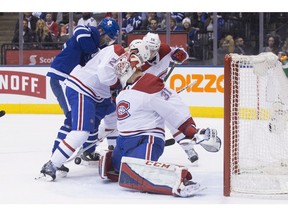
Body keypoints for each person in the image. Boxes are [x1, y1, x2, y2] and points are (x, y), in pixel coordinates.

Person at [98, 41, 221, 197]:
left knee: (138, 173)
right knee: (114, 168)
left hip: (146, 140)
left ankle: (181, 180)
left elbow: (172, 107)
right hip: (124, 142)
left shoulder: (148, 82)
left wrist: (190, 129)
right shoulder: (124, 90)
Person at [38, 39, 150, 181]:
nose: (136, 61)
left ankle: (114, 155)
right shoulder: (116, 51)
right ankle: (52, 164)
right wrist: (120, 83)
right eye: (137, 56)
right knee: (81, 132)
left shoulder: (126, 60)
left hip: (99, 95)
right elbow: (104, 74)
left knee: (115, 118)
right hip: (83, 88)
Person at [45, 17, 120, 175]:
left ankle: (88, 151)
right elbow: (80, 34)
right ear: (101, 31)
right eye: (108, 37)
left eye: (111, 40)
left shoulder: (99, 48)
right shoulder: (88, 33)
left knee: (92, 119)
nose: (108, 42)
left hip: (78, 81)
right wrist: (94, 51)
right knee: (72, 121)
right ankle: (54, 160)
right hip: (65, 79)